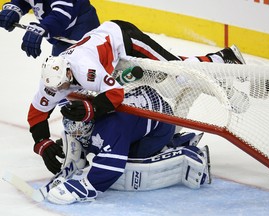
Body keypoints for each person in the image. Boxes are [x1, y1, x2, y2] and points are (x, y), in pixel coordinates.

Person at [27, 19, 246, 175]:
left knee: (177, 72)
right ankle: (219, 62)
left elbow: (115, 93)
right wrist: (42, 145)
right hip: (110, 59)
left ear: (68, 71)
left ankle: (224, 62)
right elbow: (37, 114)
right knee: (170, 69)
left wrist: (91, 110)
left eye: (65, 83)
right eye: (59, 87)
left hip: (123, 37)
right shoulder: (52, 81)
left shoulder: (85, 69)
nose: (63, 89)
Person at [45, 85, 211, 204]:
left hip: (161, 124)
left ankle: (183, 149)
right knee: (112, 143)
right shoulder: (92, 109)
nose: (76, 133)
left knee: (131, 162)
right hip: (144, 106)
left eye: (78, 129)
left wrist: (84, 187)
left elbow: (113, 166)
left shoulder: (111, 128)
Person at [0, 0, 100, 58]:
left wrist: (43, 28)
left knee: (77, 75)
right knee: (57, 77)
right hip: (61, 34)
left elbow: (62, 13)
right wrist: (14, 9)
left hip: (82, 30)